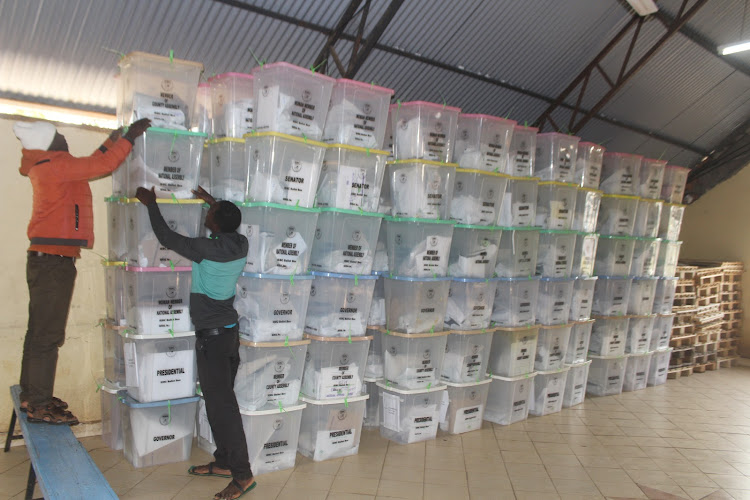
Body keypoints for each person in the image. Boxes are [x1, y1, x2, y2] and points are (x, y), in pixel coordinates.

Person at [15, 118, 151, 425]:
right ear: (47, 142)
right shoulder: (53, 164)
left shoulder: (50, 163)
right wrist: (128, 138)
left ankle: (31, 395)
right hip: (53, 262)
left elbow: (91, 162)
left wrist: (111, 140)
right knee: (48, 335)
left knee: (39, 331)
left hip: (47, 259)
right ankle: (37, 403)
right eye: (58, 136)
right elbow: (100, 166)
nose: (63, 139)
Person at [134, 185, 255, 500]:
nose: (206, 216)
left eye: (210, 214)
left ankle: (242, 476)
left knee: (223, 408)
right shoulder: (240, 243)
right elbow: (225, 222)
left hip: (213, 341)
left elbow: (166, 238)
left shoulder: (206, 247)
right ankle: (225, 463)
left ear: (214, 223)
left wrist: (152, 204)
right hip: (228, 335)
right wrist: (212, 201)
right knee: (217, 404)